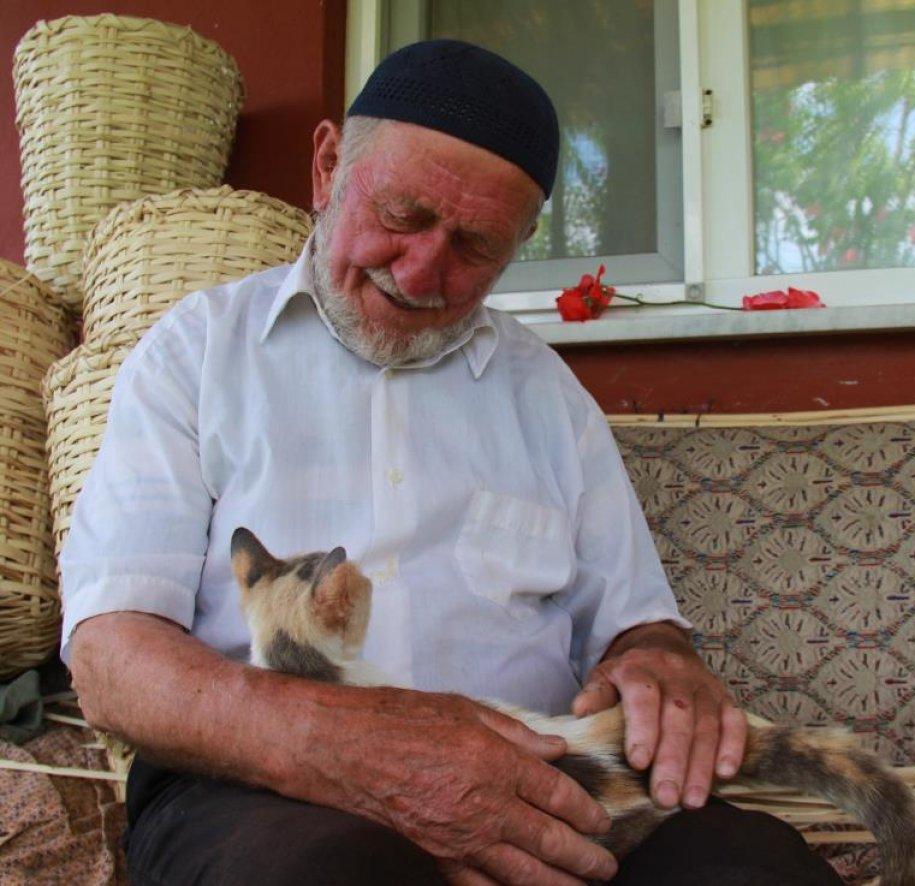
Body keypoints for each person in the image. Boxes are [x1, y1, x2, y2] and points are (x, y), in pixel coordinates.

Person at [60, 40, 843, 885]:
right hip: (260, 784)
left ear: (523, 241)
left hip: (541, 782)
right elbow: (113, 659)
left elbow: (635, 624)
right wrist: (351, 748)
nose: (423, 271)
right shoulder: (196, 353)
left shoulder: (546, 393)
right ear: (327, 167)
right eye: (400, 215)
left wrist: (660, 661)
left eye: (475, 246)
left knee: (759, 872)